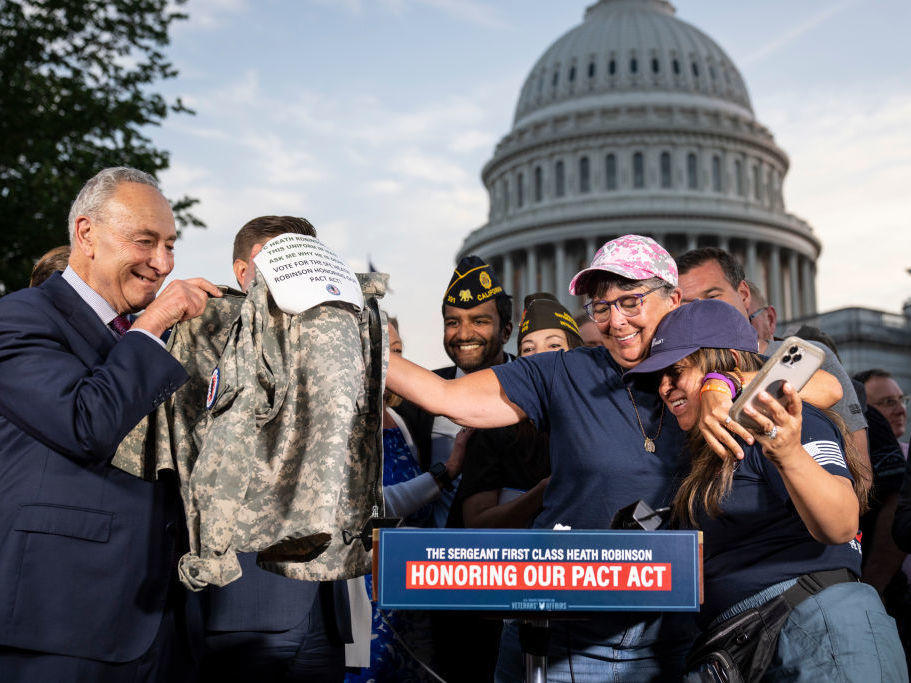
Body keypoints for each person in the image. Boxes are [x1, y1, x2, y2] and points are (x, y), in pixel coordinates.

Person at [386, 235, 842, 681]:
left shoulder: (704, 364)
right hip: (564, 631)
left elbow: (827, 385)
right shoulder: (564, 371)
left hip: (674, 632)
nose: (616, 321)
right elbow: (446, 396)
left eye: (631, 301)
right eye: (601, 308)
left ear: (674, 298)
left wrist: (724, 384)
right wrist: (356, 339)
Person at [0, 167, 220, 682]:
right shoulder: (20, 318)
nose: (163, 264)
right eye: (145, 242)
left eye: (170, 244)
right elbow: (86, 424)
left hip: (163, 625)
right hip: (58, 624)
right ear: (86, 235)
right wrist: (154, 324)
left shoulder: (162, 339)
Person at [624, 299, 906, 681]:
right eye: (658, 377)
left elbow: (841, 523)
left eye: (676, 371)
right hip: (738, 645)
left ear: (718, 362)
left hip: (817, 631)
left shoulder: (779, 418)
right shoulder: (699, 447)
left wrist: (787, 452)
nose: (664, 387)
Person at [200, 215, 353, 683]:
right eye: (279, 262)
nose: (295, 275)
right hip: (252, 600)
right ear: (242, 273)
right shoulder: (208, 338)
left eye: (303, 262)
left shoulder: (334, 343)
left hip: (327, 602)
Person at [394, 255, 514, 682]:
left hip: (509, 585)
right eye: (452, 321)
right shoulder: (420, 397)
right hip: (435, 585)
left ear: (506, 328)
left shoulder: (532, 391)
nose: (464, 334)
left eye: (479, 320)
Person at [346, 317, 471, 682]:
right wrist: (444, 472)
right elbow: (368, 510)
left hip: (411, 589)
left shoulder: (399, 420)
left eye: (397, 350)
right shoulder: (347, 423)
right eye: (383, 350)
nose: (393, 361)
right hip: (368, 599)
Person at [677, 247, 869, 476]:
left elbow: (860, 460)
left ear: (744, 294)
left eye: (712, 297)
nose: (702, 312)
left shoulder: (807, 355)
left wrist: (724, 382)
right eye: (688, 305)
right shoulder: (682, 371)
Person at [453, 292, 582, 531]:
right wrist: (543, 491)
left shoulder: (598, 423)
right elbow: (476, 524)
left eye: (554, 345)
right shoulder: (495, 432)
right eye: (528, 349)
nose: (541, 358)